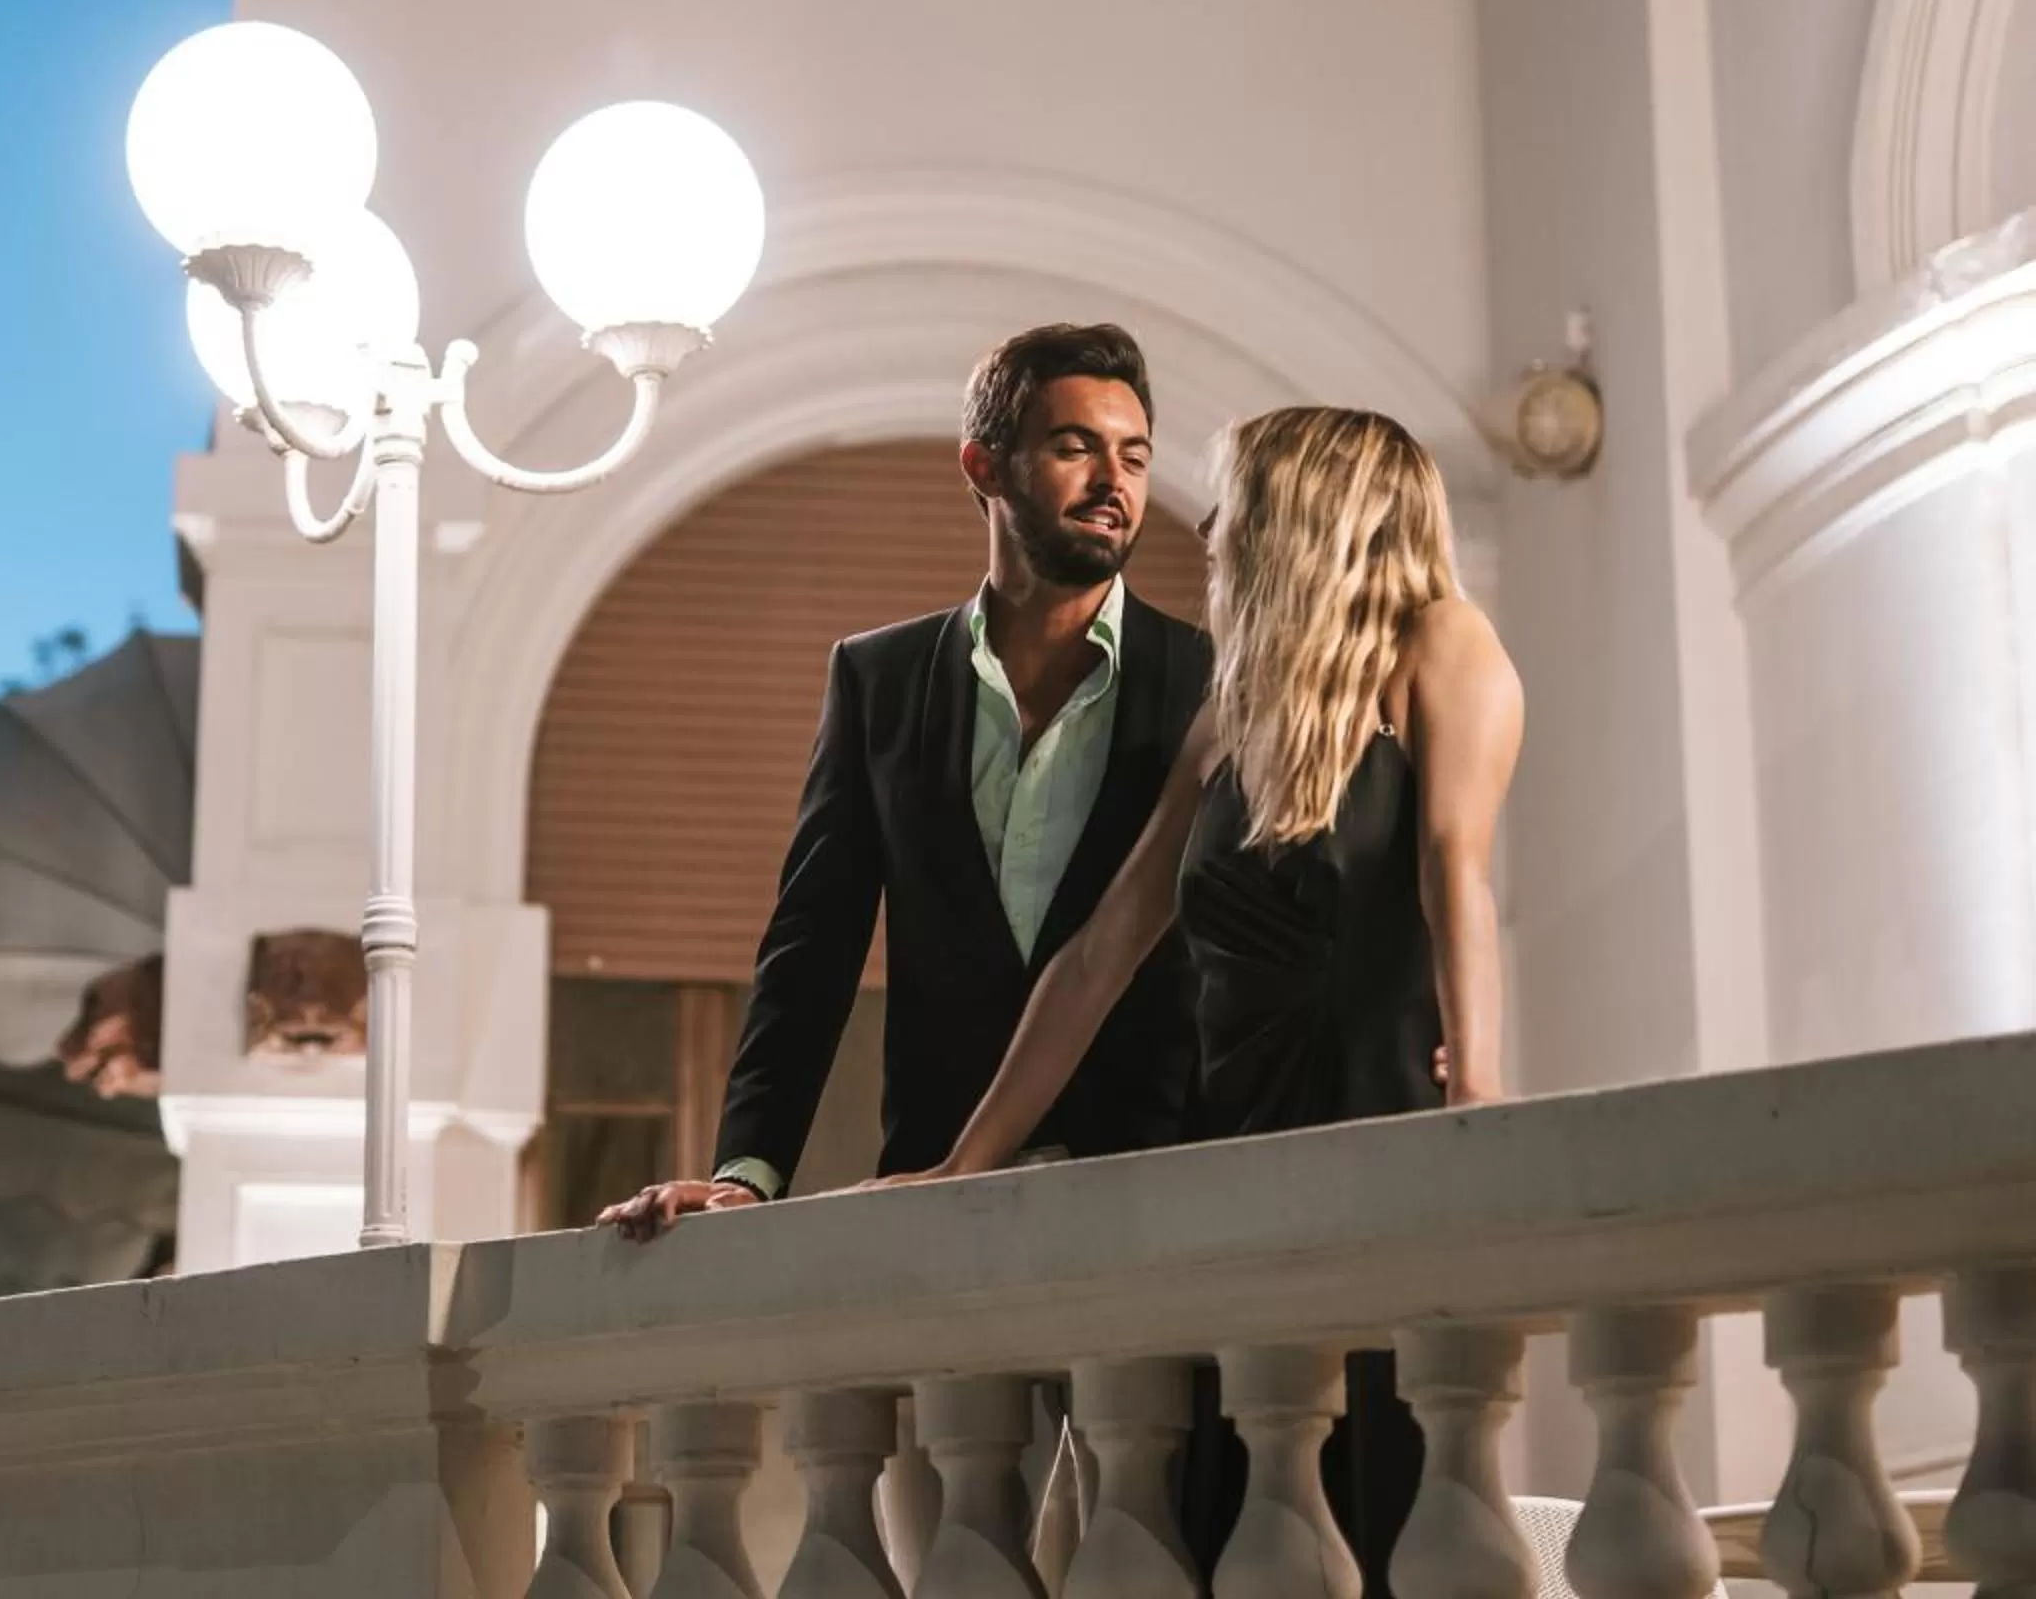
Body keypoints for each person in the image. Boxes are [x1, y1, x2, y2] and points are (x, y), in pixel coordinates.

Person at [862, 403, 1524, 1599]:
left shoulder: (1445, 644)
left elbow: (1454, 870)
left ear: (1304, 511)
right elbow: (1099, 952)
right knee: (1234, 1508)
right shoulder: (1234, 708)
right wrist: (963, 1163)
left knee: (1378, 1496)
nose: (1209, 526)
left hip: (1375, 1131)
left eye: (1237, 499)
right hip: (1230, 1152)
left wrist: (1475, 1102)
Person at [595, 322, 1216, 1240]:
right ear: (985, 467)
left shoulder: (1210, 681)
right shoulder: (876, 681)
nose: (1112, 482)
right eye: (1074, 447)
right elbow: (810, 950)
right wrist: (750, 1173)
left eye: (1133, 456)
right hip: (937, 1189)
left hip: (1159, 1190)